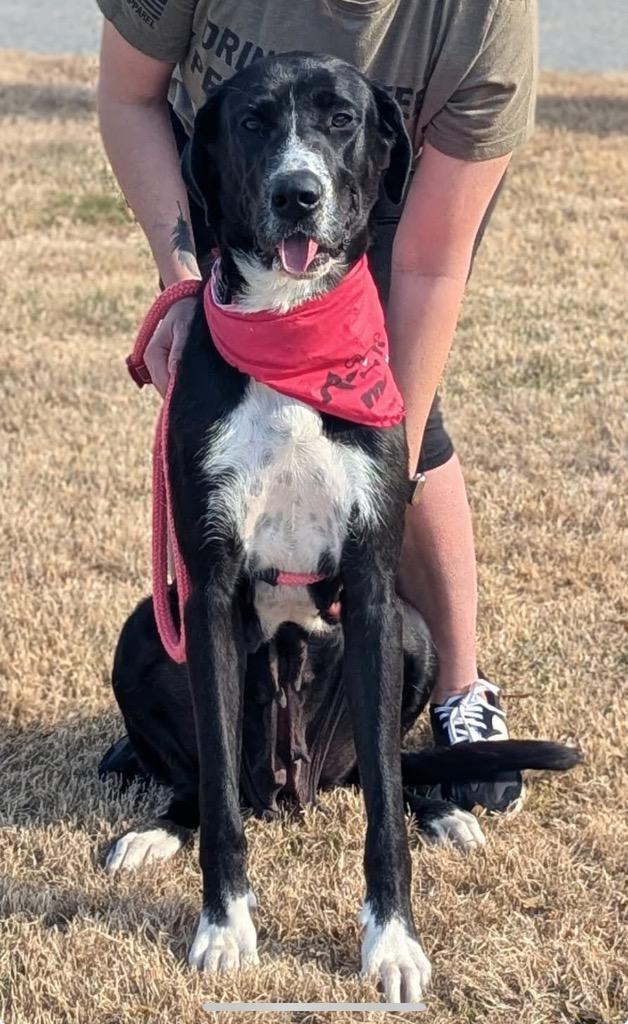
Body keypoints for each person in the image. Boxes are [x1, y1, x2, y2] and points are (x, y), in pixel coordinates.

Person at [96, 0, 537, 812]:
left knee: (407, 418)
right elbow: (128, 97)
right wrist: (186, 278)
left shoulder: (486, 14)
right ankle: (212, 709)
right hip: (231, 174)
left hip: (386, 192)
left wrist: (377, 466)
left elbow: (431, 264)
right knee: (235, 439)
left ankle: (458, 692)